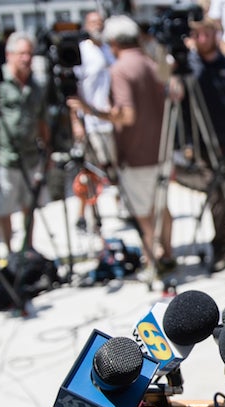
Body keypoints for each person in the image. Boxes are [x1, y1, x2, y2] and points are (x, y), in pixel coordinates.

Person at [73, 16, 174, 274]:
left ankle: (152, 263)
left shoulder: (120, 69)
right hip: (161, 149)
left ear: (114, 42)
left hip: (137, 153)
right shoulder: (152, 64)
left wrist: (93, 112)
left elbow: (126, 115)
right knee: (162, 207)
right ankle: (168, 253)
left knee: (144, 213)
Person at [175, 16, 225, 273]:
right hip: (203, 146)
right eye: (197, 35)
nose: (202, 40)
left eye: (206, 34)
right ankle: (219, 246)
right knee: (217, 197)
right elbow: (173, 95)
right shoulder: (188, 68)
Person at [0, 32, 48, 254]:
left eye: (30, 54)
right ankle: (8, 251)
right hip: (5, 155)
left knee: (29, 204)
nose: (27, 58)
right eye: (22, 53)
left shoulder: (36, 83)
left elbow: (42, 117)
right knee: (5, 206)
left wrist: (47, 147)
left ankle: (28, 247)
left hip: (31, 155)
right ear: (10, 55)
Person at [71, 11, 115, 232]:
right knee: (90, 172)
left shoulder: (109, 49)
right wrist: (76, 121)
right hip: (90, 121)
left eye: (101, 22)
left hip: (111, 121)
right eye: (93, 23)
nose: (98, 26)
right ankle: (88, 215)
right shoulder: (83, 51)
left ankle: (122, 208)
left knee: (113, 171)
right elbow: (73, 91)